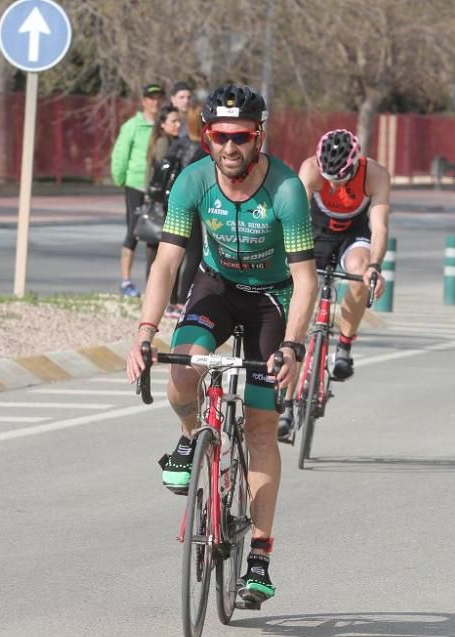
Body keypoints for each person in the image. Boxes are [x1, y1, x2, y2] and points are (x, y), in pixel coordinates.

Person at [125, 84, 317, 609]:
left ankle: (258, 554)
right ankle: (191, 438)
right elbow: (166, 263)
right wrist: (144, 332)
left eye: (240, 136)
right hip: (216, 286)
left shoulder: (285, 190)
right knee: (183, 368)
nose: (229, 147)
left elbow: (306, 280)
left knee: (259, 426)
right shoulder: (192, 181)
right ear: (205, 135)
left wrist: (294, 348)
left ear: (259, 136)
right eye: (218, 136)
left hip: (270, 301)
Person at [278, 129, 390, 439]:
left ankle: (344, 346)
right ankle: (286, 406)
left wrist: (375, 268)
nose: (335, 185)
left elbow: (379, 226)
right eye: (330, 178)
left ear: (355, 165)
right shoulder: (310, 169)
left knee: (359, 270)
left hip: (354, 237)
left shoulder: (375, 174)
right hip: (315, 233)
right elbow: (291, 217)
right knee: (297, 318)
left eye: (340, 179)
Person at [111, 83, 165, 297]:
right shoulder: (132, 126)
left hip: (156, 185)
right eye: (151, 98)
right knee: (133, 230)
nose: (155, 102)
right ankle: (125, 280)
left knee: (156, 233)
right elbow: (120, 154)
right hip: (136, 183)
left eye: (159, 98)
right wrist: (121, 178)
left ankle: (153, 283)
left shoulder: (163, 125)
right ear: (144, 101)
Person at [165, 102, 206, 310]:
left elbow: (166, 167)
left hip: (175, 200)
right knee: (193, 252)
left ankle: (171, 299)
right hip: (191, 204)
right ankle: (182, 299)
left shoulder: (179, 144)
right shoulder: (204, 148)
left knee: (173, 253)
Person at [141, 104, 182, 288]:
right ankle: (157, 293)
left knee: (158, 250)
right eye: (173, 121)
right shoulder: (164, 143)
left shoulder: (169, 141)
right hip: (160, 203)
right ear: (163, 124)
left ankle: (157, 292)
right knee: (159, 250)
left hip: (160, 201)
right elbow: (160, 175)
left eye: (179, 121)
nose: (178, 124)